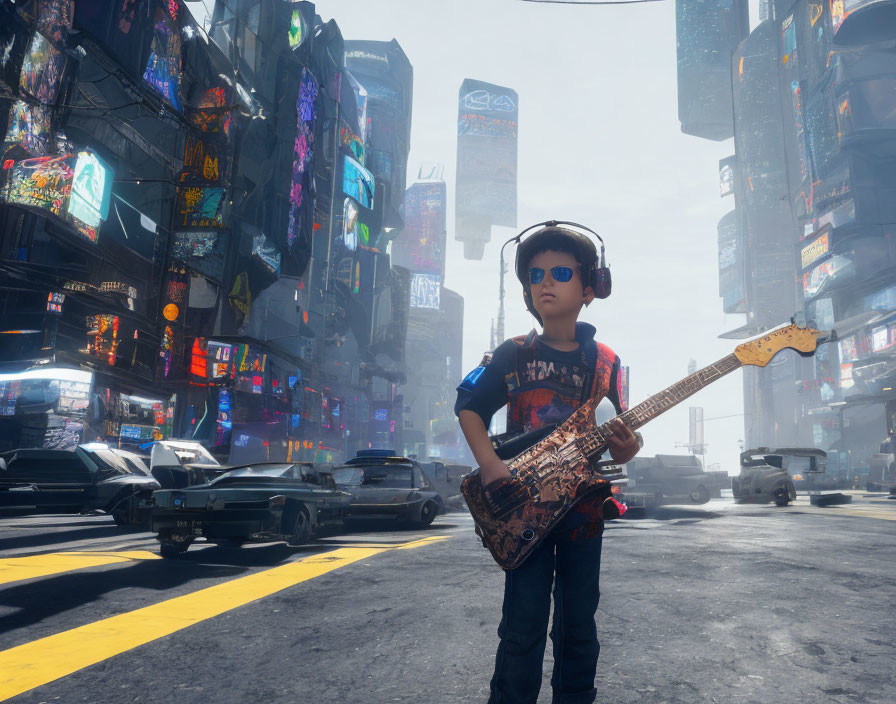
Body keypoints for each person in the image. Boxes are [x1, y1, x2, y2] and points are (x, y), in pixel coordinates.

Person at [455, 224, 640, 704]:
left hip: (583, 515)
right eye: (535, 274)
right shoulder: (512, 353)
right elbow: (469, 406)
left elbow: (620, 432)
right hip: (522, 511)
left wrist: (626, 447)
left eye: (560, 272)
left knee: (579, 628)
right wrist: (491, 466)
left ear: (591, 287)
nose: (546, 282)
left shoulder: (607, 362)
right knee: (522, 628)